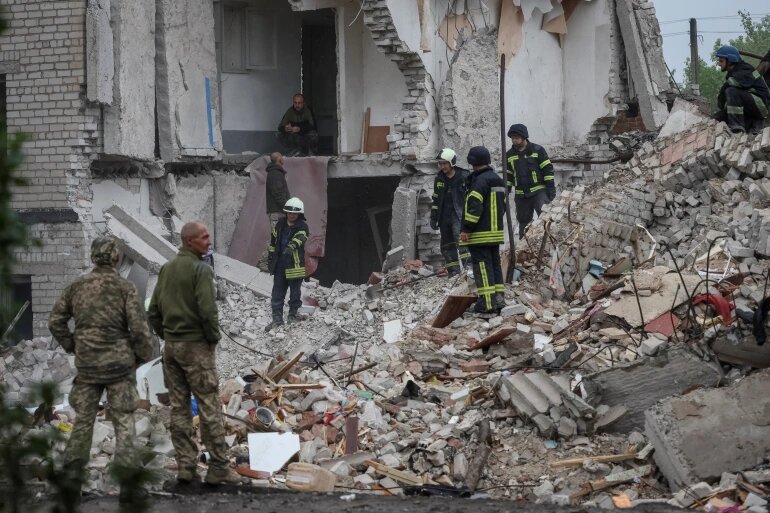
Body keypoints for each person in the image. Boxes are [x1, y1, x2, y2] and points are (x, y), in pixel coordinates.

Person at [48, 236, 154, 504]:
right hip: (119, 367)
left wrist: (72, 345)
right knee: (124, 424)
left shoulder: (77, 286)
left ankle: (71, 486)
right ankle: (128, 489)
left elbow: (55, 321)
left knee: (83, 423)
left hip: (87, 366)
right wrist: (140, 357)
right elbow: (141, 331)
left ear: (93, 257)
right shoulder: (125, 287)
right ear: (116, 258)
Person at [147, 222, 240, 486]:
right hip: (196, 347)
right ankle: (218, 467)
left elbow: (153, 310)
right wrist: (212, 339)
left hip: (172, 350)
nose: (208, 241)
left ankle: (186, 467)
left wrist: (168, 335)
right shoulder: (201, 270)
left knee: (179, 408)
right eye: (203, 237)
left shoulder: (166, 269)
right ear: (189, 241)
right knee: (209, 405)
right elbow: (208, 310)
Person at [460, 146, 506, 314]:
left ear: (473, 162)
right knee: (494, 266)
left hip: (480, 234)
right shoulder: (497, 179)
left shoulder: (479, 182)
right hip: (495, 233)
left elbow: (474, 208)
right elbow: (504, 207)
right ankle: (498, 299)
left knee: (482, 268)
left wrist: (466, 228)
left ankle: (486, 303)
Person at [505, 124, 556, 239]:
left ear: (524, 137)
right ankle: (524, 246)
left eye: (517, 138)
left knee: (545, 219)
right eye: (512, 138)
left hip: (539, 192)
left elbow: (548, 171)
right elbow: (508, 176)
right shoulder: (509, 155)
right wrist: (506, 193)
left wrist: (551, 191)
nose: (514, 141)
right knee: (523, 223)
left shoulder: (537, 150)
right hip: (521, 195)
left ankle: (548, 243)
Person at [265, 197, 309, 331]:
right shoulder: (280, 224)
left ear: (299, 214)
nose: (291, 215)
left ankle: (292, 317)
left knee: (295, 294)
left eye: (294, 213)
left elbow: (301, 237)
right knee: (277, 293)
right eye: (289, 213)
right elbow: (273, 241)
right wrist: (271, 257)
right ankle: (277, 320)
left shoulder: (302, 226)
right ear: (286, 213)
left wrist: (291, 246)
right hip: (280, 265)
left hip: (294, 265)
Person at [430, 148, 471, 276]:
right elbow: (436, 199)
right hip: (444, 217)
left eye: (444, 163)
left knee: (462, 243)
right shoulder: (439, 179)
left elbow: (471, 199)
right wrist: (434, 217)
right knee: (447, 245)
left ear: (451, 162)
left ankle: (469, 270)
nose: (442, 166)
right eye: (440, 163)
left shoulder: (464, 176)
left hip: (459, 216)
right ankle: (454, 273)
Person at [713, 45, 770, 133]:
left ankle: (737, 127)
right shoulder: (732, 73)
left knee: (731, 91)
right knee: (717, 117)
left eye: (721, 61)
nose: (719, 64)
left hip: (762, 106)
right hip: (751, 107)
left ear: (730, 60)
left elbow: (731, 85)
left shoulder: (745, 69)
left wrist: (721, 97)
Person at [258, 152, 291, 272]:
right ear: (279, 159)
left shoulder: (276, 173)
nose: (284, 158)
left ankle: (274, 264)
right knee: (276, 237)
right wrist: (288, 208)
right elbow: (279, 194)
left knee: (279, 237)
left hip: (278, 211)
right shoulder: (275, 174)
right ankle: (263, 262)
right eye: (282, 156)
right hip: (277, 212)